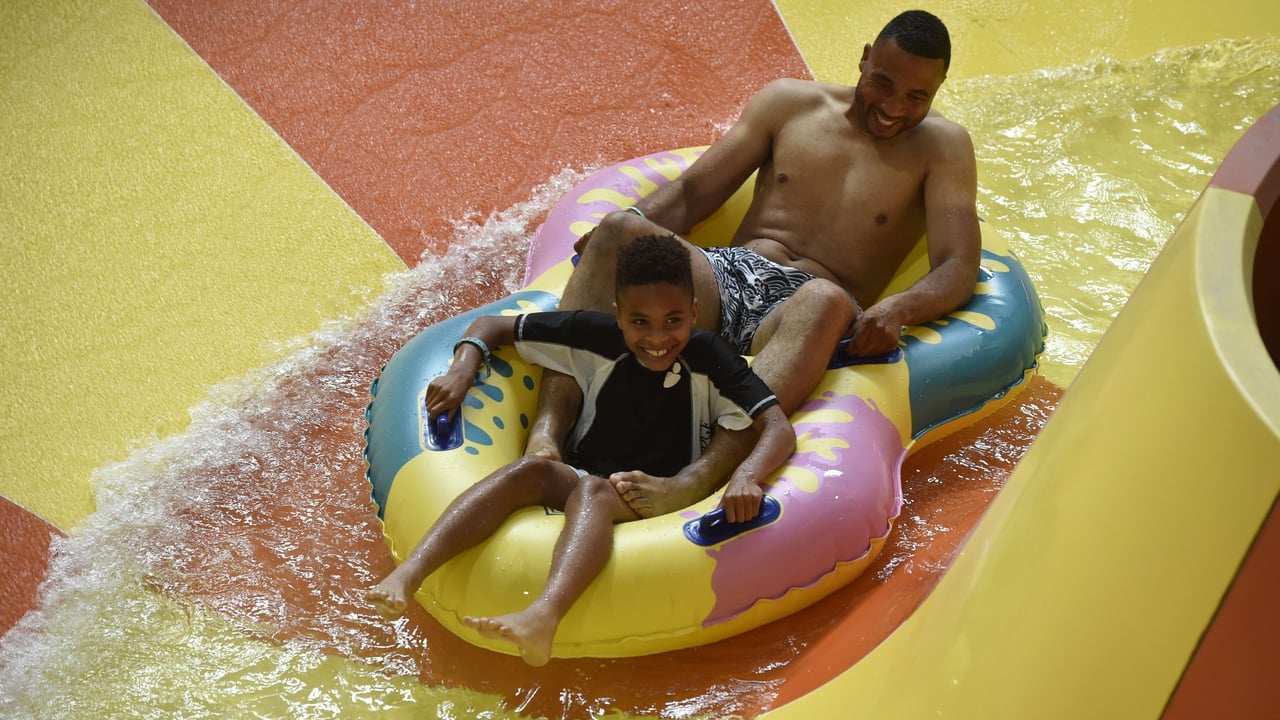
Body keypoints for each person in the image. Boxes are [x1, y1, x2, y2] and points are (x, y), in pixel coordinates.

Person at [527, 9, 981, 519]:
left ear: (938, 90)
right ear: (864, 58)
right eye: (883, 83)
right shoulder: (790, 104)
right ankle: (547, 433)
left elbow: (957, 265)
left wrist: (897, 308)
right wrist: (620, 232)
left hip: (808, 307)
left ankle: (696, 477)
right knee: (618, 230)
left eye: (917, 97)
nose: (894, 108)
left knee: (825, 299)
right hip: (726, 276)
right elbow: (692, 194)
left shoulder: (943, 148)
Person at [365, 234, 795, 666]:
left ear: (695, 314)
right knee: (528, 471)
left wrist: (746, 475)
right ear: (618, 315)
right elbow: (491, 327)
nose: (658, 337)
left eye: (673, 320)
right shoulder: (595, 336)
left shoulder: (711, 356)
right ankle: (410, 573)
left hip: (656, 490)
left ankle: (543, 617)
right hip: (583, 471)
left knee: (595, 494)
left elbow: (777, 427)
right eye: (640, 322)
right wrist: (464, 367)